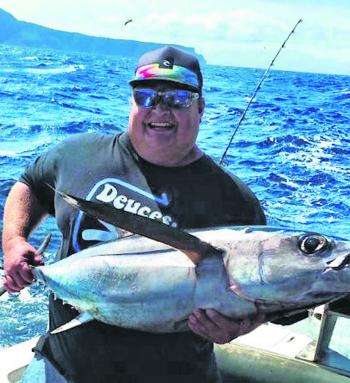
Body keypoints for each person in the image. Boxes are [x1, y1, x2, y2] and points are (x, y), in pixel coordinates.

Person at [2, 46, 266, 383]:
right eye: (146, 97)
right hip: (59, 369)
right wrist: (13, 242)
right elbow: (30, 184)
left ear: (201, 108)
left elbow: (267, 294)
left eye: (177, 99)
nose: (160, 109)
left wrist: (244, 324)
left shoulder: (235, 200)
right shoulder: (77, 154)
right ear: (132, 103)